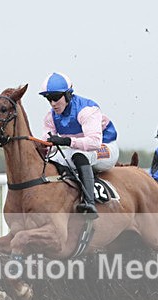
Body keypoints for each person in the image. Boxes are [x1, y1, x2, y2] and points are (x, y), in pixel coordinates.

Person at [39, 72, 119, 219]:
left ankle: (90, 203)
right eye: (48, 99)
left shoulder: (87, 110)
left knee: (79, 156)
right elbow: (47, 145)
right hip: (78, 148)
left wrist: (67, 141)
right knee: (53, 160)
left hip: (105, 147)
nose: (52, 103)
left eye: (56, 98)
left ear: (68, 95)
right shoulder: (50, 117)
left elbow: (94, 142)